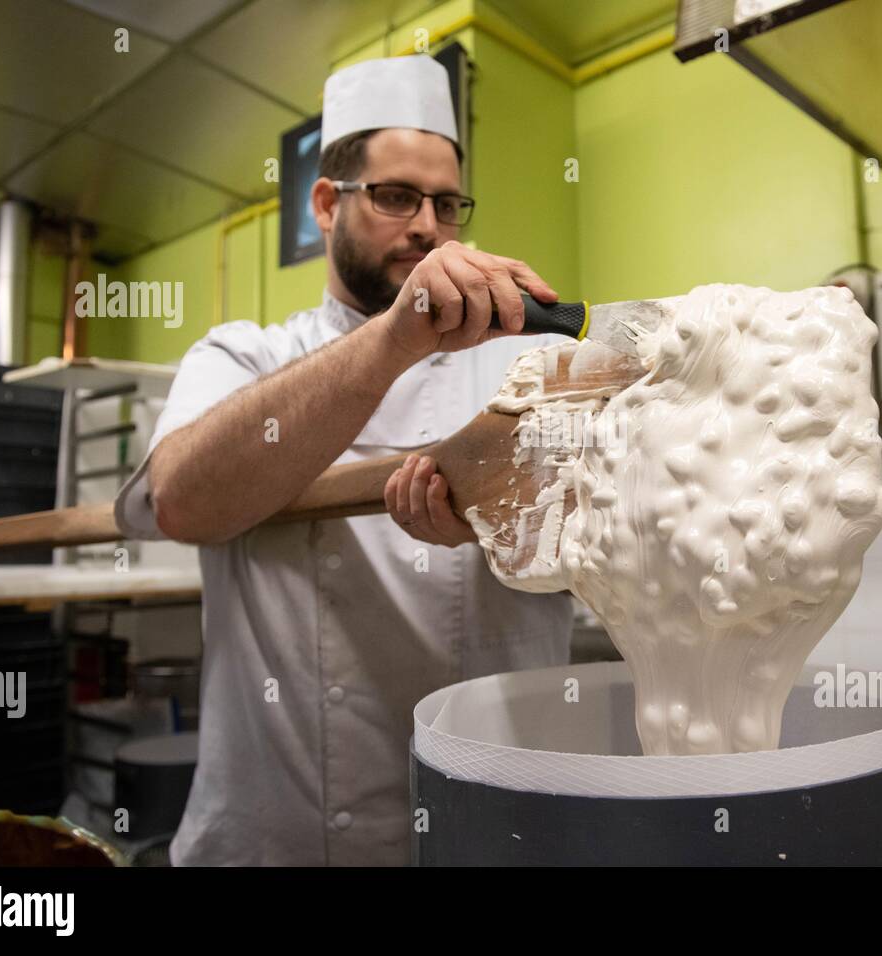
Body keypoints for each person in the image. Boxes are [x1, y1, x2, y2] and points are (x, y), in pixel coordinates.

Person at [115, 55, 573, 865]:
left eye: (446, 204)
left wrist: (517, 531)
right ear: (326, 204)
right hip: (282, 835)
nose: (428, 226)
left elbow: (621, 533)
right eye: (395, 197)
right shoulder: (244, 358)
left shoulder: (526, 367)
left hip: (489, 833)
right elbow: (181, 500)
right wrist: (395, 337)